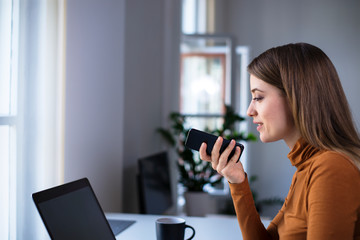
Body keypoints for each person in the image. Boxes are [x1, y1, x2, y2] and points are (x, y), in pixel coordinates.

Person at [199, 43, 360, 239]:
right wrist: (237, 181)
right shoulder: (307, 168)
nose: (250, 111)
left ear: (296, 97)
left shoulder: (330, 169)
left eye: (258, 97)